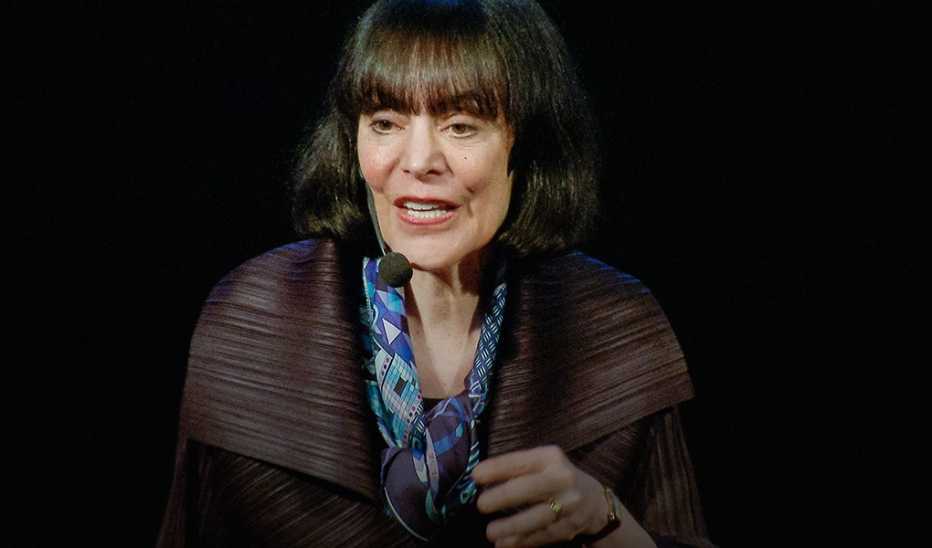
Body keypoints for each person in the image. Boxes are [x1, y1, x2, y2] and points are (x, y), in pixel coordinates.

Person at [157, 1, 715, 546]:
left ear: (525, 145)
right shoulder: (254, 319)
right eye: (385, 122)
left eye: (461, 126)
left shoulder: (612, 323)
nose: (418, 159)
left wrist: (604, 519)